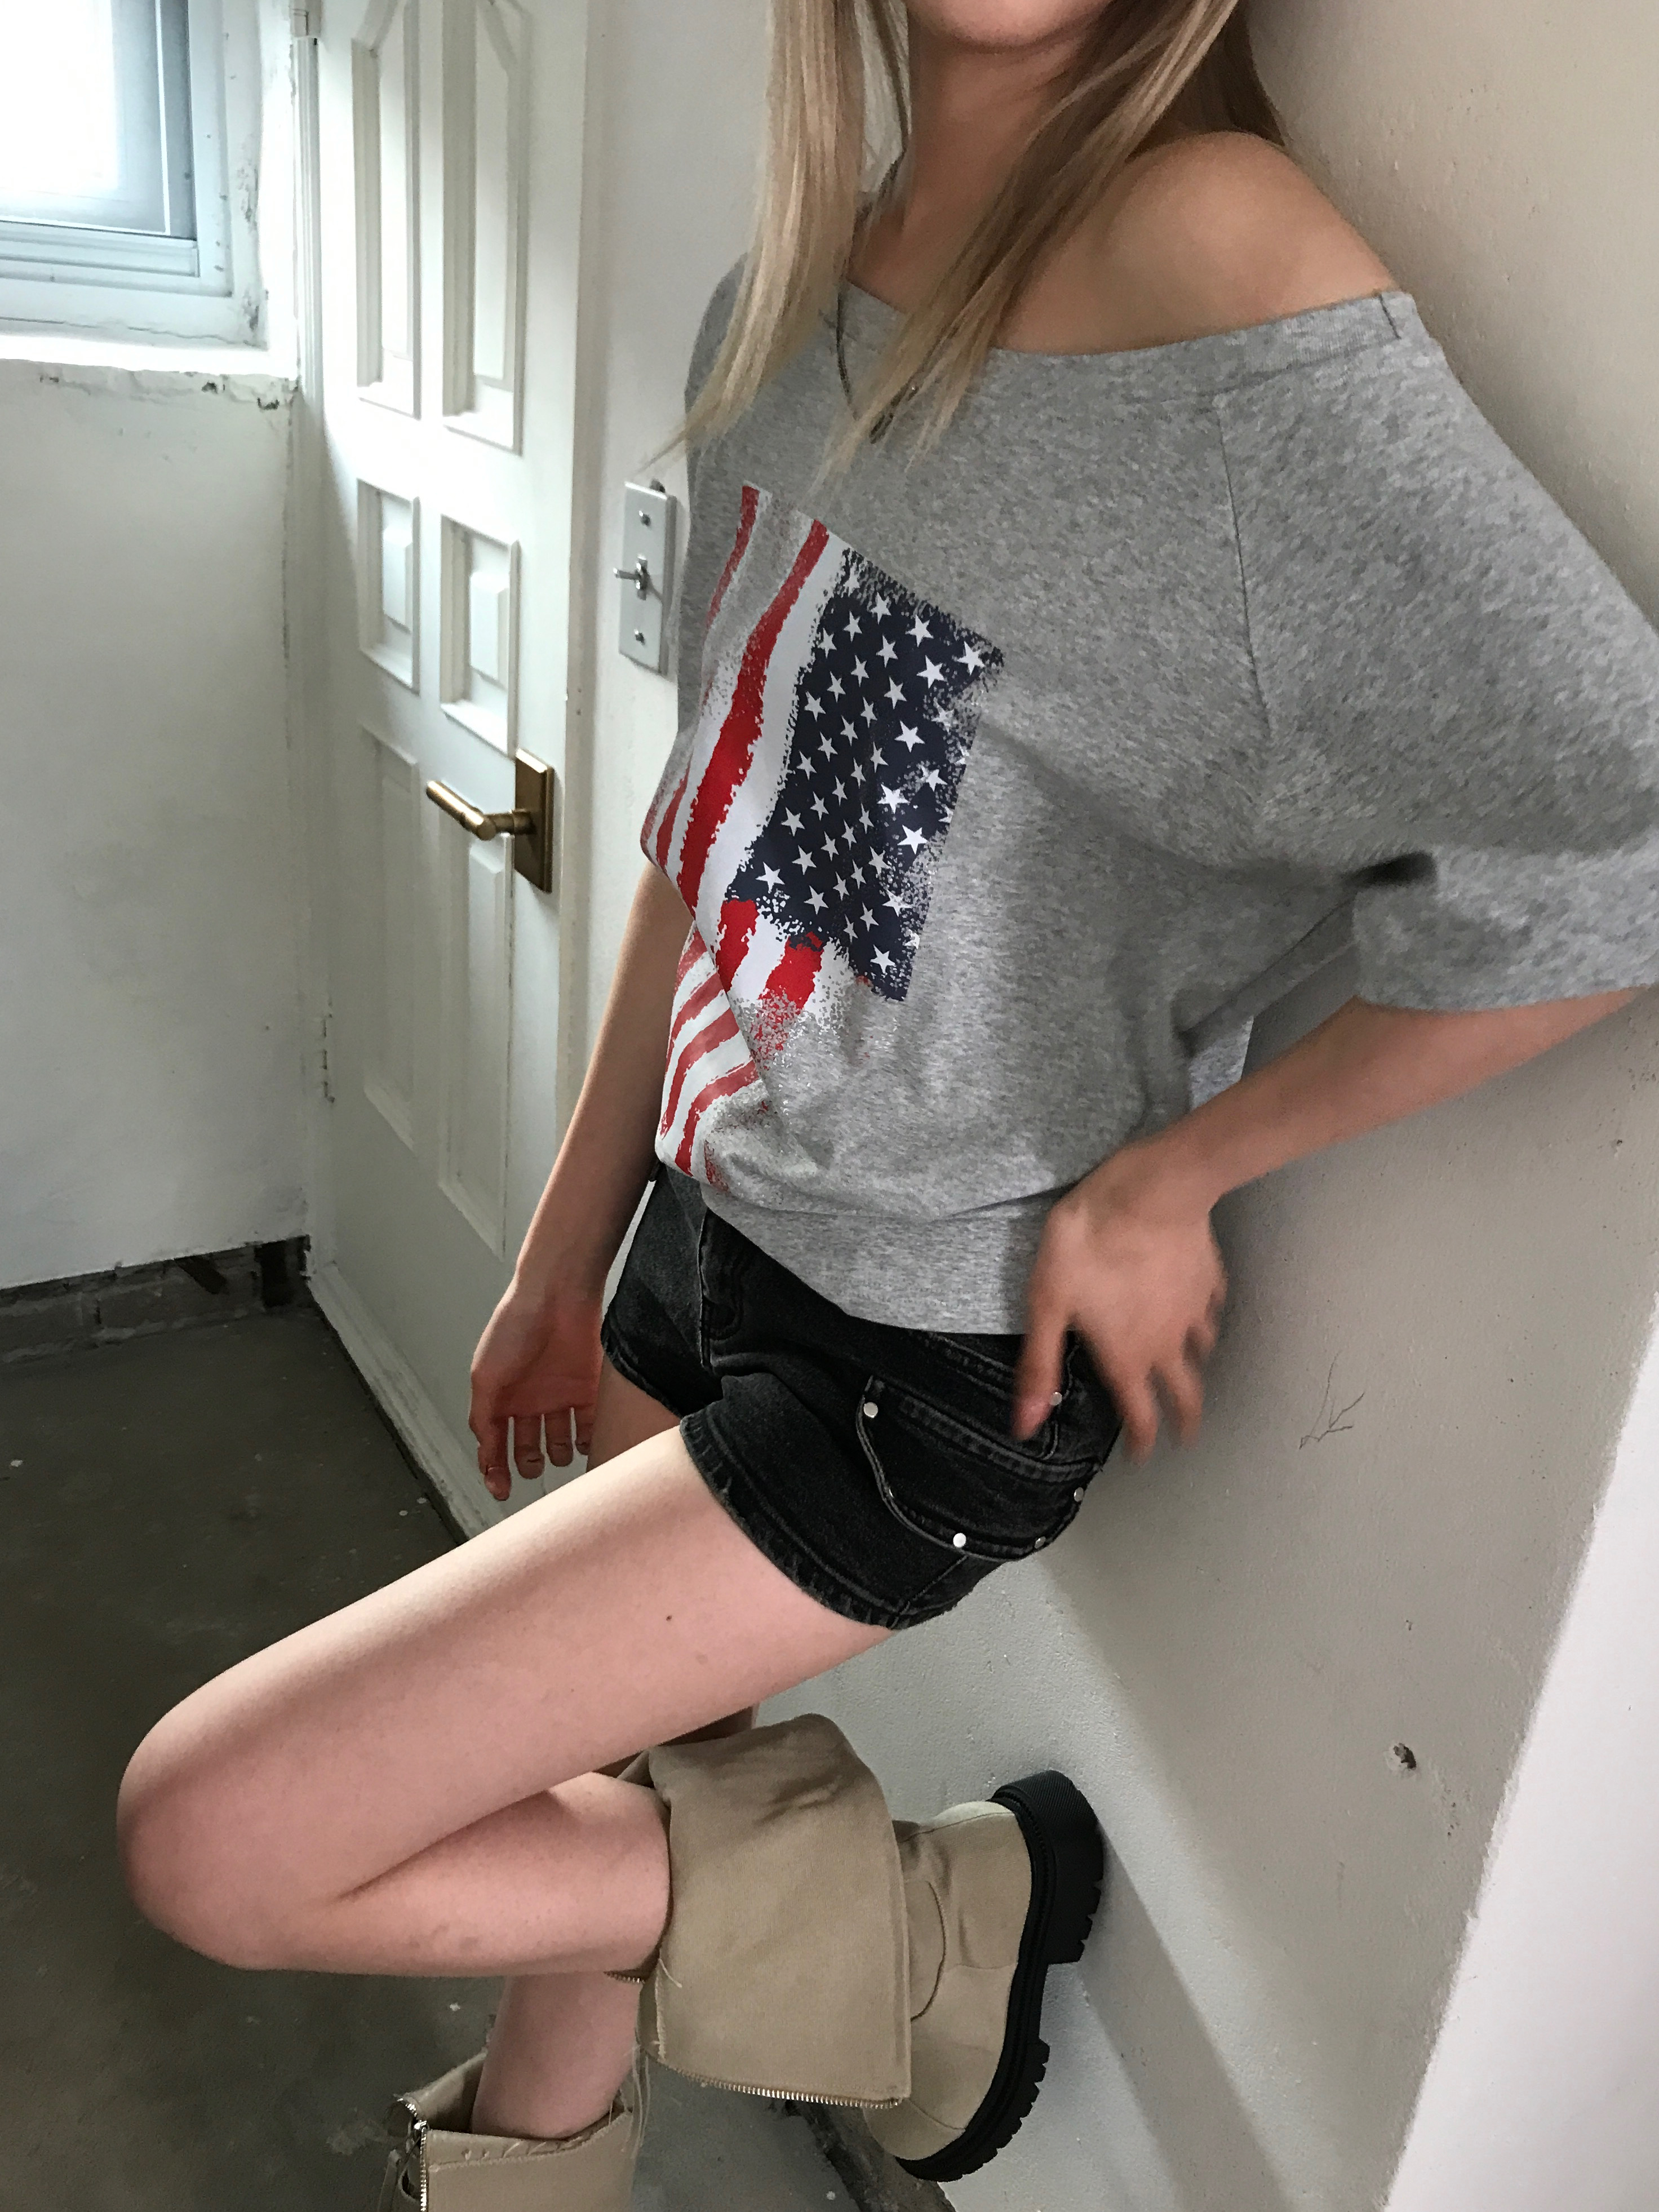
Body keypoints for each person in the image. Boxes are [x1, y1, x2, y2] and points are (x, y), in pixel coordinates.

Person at [117, 1, 1659, 2205]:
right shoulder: (790, 286)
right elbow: (712, 825)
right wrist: (564, 1251)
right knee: (597, 1858)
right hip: (707, 1218)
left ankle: (935, 1923)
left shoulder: (1215, 254)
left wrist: (1181, 1173)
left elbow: (1611, 849)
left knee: (219, 1831)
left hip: (918, 1349)